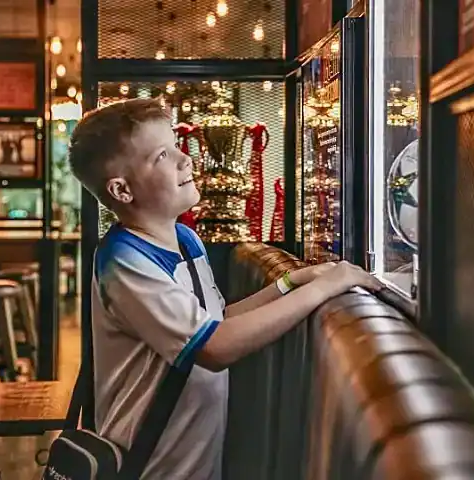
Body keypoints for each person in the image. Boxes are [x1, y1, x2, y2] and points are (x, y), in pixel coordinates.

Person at [68, 98, 382, 480]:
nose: (185, 160)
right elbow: (214, 347)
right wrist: (327, 287)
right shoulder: (124, 263)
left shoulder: (185, 240)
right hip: (151, 469)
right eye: (162, 155)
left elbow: (216, 321)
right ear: (122, 189)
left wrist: (290, 282)